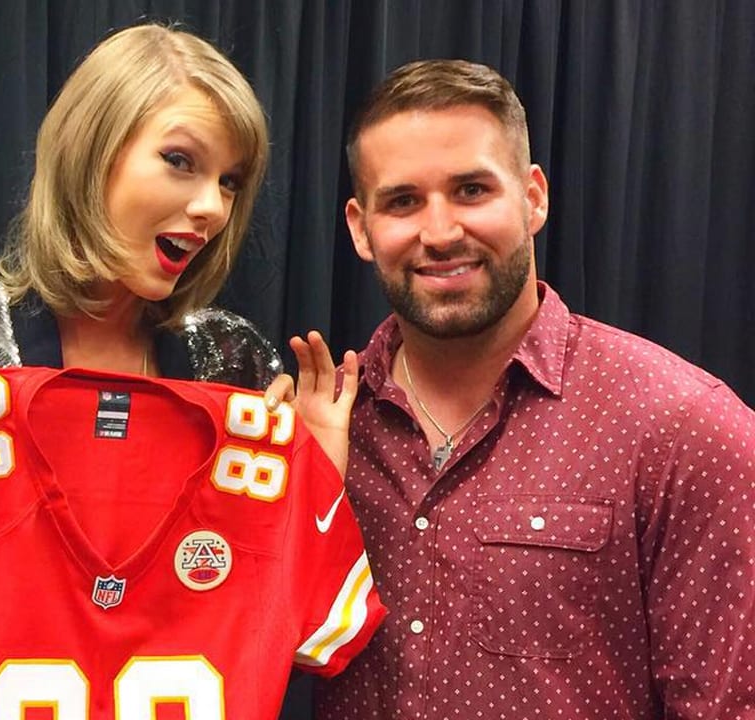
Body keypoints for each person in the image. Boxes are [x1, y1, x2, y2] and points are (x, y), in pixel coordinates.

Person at [0, 22, 365, 719]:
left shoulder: (235, 364)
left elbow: (266, 635)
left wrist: (316, 483)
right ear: (90, 153)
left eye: (229, 181)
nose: (212, 208)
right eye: (181, 161)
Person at [308, 59, 755, 719]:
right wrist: (307, 493)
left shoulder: (687, 428)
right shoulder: (317, 432)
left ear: (533, 196)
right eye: (403, 201)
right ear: (359, 227)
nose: (439, 232)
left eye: (470, 190)